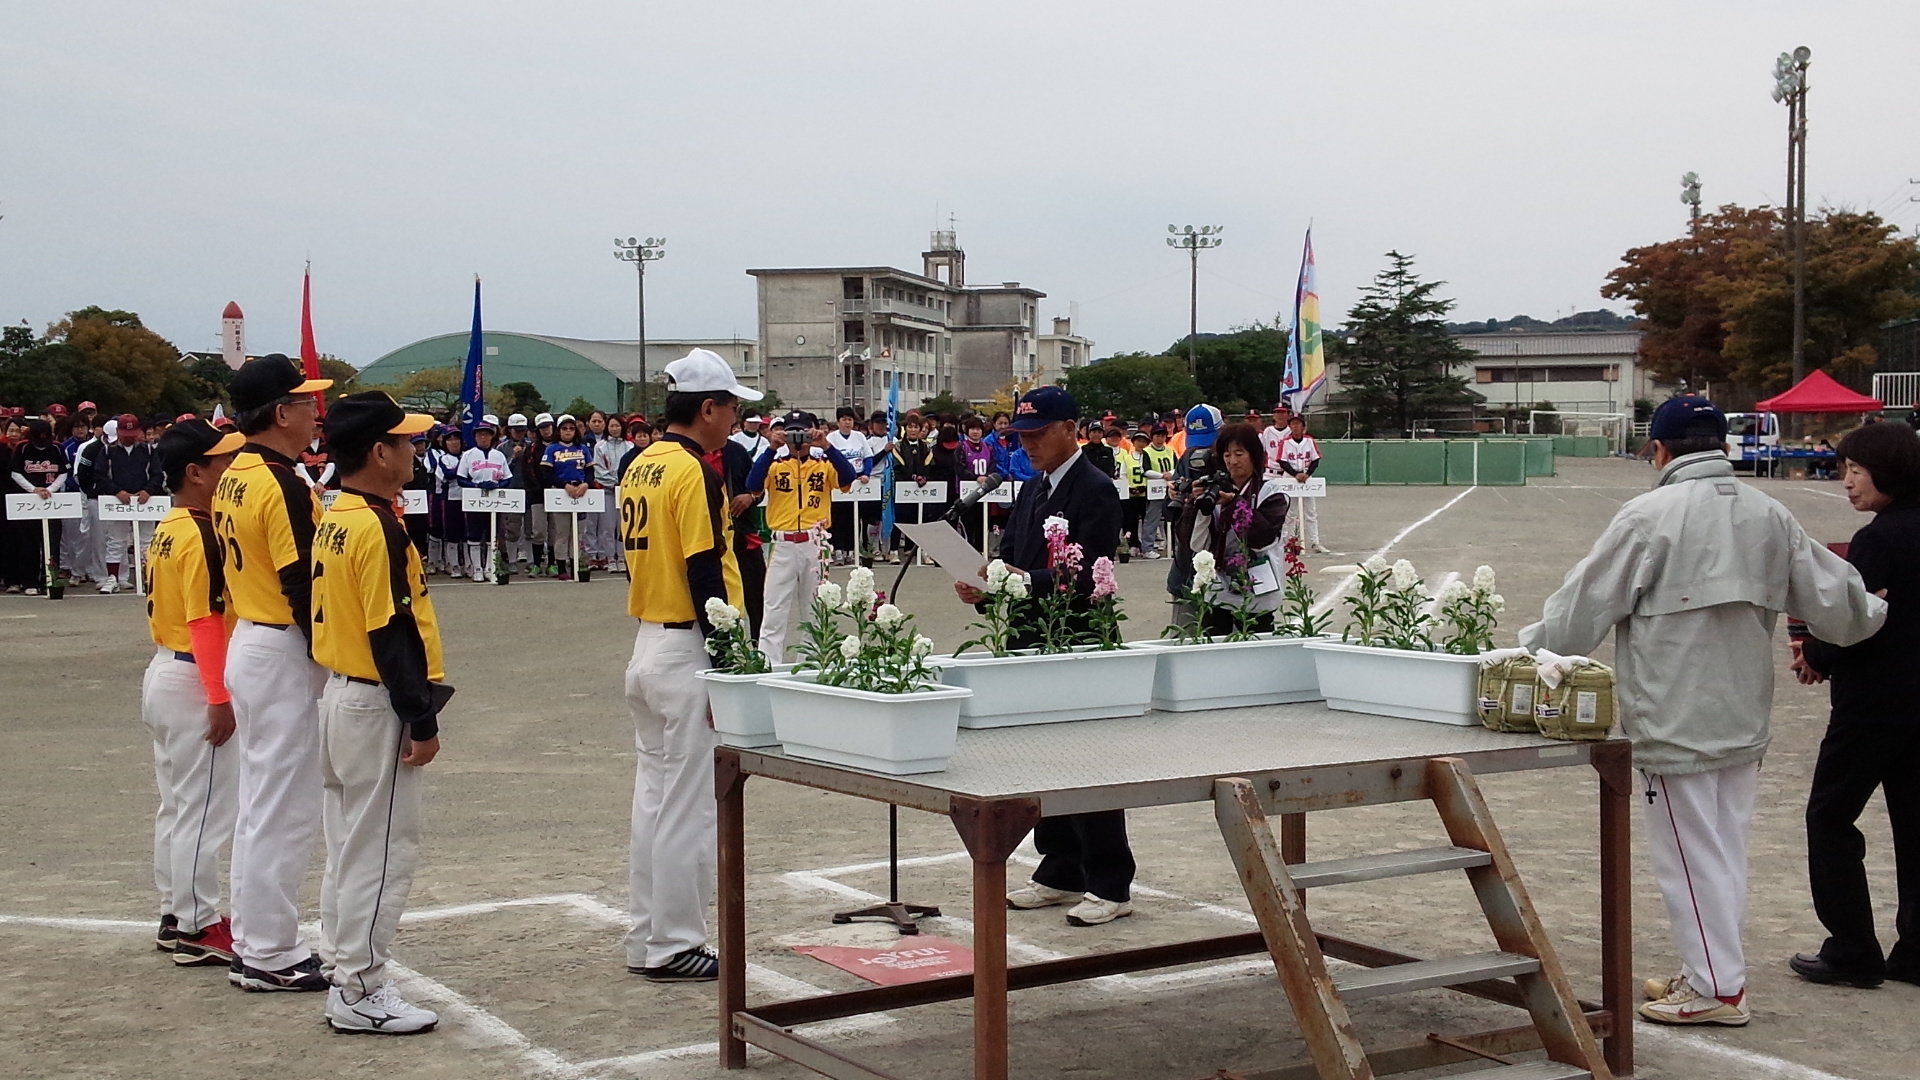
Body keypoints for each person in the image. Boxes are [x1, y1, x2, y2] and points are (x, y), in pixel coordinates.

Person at [1520, 394, 1886, 1027]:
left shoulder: (1648, 516)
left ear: (1659, 450)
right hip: (1743, 711)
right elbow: (1845, 610)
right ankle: (1712, 971)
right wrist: (1879, 608)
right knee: (1722, 850)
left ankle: (1718, 988)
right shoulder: (1769, 513)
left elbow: (1577, 617)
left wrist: (1523, 651)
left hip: (1673, 713)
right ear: (1722, 444)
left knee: (1686, 858)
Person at [952, 386, 1132, 927]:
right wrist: (988, 584)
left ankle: (1111, 881)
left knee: (1088, 762)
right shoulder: (1030, 490)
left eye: (1036, 434)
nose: (1026, 445)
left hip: (1076, 639)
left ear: (1070, 430)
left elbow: (1090, 571)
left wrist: (1022, 581)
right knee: (1042, 759)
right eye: (1020, 437)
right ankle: (1060, 869)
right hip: (1031, 637)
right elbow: (1011, 557)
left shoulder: (1095, 488)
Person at [308, 392, 450, 1034]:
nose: (413, 450)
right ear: (378, 451)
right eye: (405, 440)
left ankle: (346, 970)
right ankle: (361, 988)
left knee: (349, 846)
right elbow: (390, 629)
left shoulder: (337, 512)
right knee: (381, 851)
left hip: (341, 695)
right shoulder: (376, 523)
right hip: (372, 701)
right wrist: (420, 716)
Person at [620, 349, 758, 981]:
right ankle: (674, 941)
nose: (734, 418)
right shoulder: (694, 471)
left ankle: (648, 932)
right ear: (707, 408)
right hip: (686, 648)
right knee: (688, 804)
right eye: (730, 406)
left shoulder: (640, 461)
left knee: (654, 798)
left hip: (650, 639)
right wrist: (730, 653)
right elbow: (704, 568)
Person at [212, 354, 335, 992]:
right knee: (283, 806)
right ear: (281, 413)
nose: (316, 412)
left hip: (254, 641)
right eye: (306, 402)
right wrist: (335, 653)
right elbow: (299, 582)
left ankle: (258, 941)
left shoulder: (239, 471)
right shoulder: (279, 481)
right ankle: (267, 950)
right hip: (281, 644)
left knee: (263, 801)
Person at [1789, 422, 1920, 989]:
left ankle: (1852, 949)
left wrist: (1814, 652)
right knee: (1916, 826)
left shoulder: (1879, 538)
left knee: (1830, 817)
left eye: (1856, 470)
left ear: (1887, 473)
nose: (1846, 481)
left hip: (1874, 706)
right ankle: (1917, 952)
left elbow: (1859, 619)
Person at [143, 419, 246, 968]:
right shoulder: (202, 533)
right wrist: (219, 696)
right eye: (222, 462)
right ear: (195, 473)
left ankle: (176, 912)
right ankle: (196, 924)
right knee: (203, 810)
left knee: (180, 806)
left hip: (168, 671)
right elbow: (206, 620)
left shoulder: (175, 524)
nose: (230, 469)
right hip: (191, 675)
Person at [748, 411, 855, 661]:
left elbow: (848, 478)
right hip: (782, 543)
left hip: (815, 542)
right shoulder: (775, 465)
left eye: (804, 432)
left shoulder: (823, 465)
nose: (799, 439)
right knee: (773, 610)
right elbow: (752, 485)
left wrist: (826, 446)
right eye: (793, 432)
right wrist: (770, 448)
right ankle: (769, 666)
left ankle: (809, 666)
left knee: (814, 611)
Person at [1177, 422, 1289, 635]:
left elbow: (1262, 537)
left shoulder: (1272, 492)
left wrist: (1233, 503)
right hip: (1219, 589)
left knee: (1258, 652)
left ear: (1254, 455)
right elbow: (1193, 543)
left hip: (1259, 588)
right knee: (1216, 654)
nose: (1233, 461)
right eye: (1227, 455)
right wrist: (1194, 504)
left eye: (1239, 453)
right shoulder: (1214, 489)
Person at [81, 413, 165, 594]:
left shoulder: (148, 450)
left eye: (132, 434)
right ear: (118, 432)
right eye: (125, 434)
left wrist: (148, 490)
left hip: (143, 500)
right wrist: (116, 491)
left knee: (146, 540)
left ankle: (148, 575)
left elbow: (158, 474)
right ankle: (113, 577)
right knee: (115, 540)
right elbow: (99, 475)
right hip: (118, 499)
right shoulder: (107, 451)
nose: (129, 438)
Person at [457, 420, 513, 582]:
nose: (483, 437)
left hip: (494, 500)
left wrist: (497, 485)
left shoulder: (498, 455)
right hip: (475, 499)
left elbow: (507, 478)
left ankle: (490, 568)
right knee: (474, 535)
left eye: (486, 434)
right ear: (475, 436)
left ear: (491, 436)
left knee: (492, 535)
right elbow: (461, 479)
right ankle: (477, 569)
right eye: (480, 434)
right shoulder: (468, 455)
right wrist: (476, 484)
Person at [542, 414, 592, 580]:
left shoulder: (583, 449)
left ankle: (576, 565)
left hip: (581, 492)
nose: (568, 431)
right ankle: (562, 567)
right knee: (562, 532)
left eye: (571, 428)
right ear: (559, 431)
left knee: (577, 533)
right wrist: (565, 486)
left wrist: (586, 484)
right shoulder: (552, 449)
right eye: (564, 428)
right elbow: (546, 473)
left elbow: (590, 471)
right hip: (561, 492)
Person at [825, 408, 873, 566]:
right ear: (838, 422)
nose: (847, 423)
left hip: (857, 480)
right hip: (838, 482)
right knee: (838, 518)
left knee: (854, 518)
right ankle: (838, 550)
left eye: (850, 420)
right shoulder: (831, 438)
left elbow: (868, 457)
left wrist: (866, 473)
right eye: (844, 419)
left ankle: (851, 551)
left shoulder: (859, 437)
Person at [1276, 414, 1328, 553]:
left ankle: (1315, 542)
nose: (1295, 426)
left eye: (1298, 423)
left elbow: (1315, 460)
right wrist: (1295, 474)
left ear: (1303, 426)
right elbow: (1282, 461)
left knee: (1310, 512)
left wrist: (1307, 474)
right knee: (1290, 513)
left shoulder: (1309, 441)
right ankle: (1290, 543)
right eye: (1293, 423)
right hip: (1290, 477)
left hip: (1306, 477)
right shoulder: (1285, 442)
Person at [591, 415, 628, 572]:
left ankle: (622, 557)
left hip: (626, 491)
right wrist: (613, 483)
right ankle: (610, 558)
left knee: (623, 527)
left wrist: (624, 483)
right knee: (607, 527)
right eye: (612, 426)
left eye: (617, 426)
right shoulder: (600, 447)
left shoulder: (630, 446)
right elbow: (598, 470)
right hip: (607, 492)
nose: (614, 429)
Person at [1138, 425, 1175, 560]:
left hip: (1170, 486)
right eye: (1157, 436)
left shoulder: (1170, 450)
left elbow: (1176, 467)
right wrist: (1161, 475)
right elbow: (1145, 470)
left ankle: (1173, 545)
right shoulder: (1147, 451)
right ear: (1152, 437)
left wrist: (1169, 474)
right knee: (1152, 517)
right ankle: (1147, 547)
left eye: (1163, 436)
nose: (1160, 439)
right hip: (1155, 488)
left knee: (1173, 516)